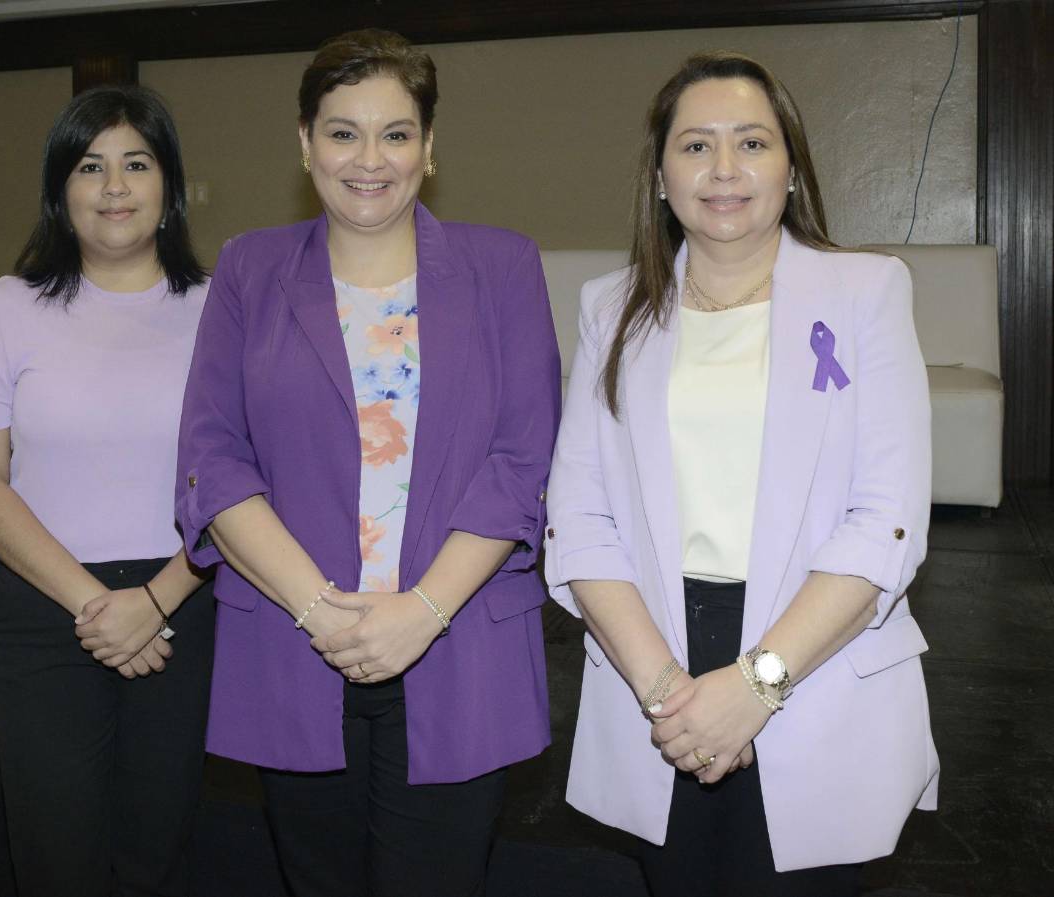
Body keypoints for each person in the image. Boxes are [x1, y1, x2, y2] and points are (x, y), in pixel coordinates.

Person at [176, 28, 561, 897]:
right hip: (294, 641)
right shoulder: (248, 269)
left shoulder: (502, 266)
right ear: (304, 142)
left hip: (457, 647)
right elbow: (213, 455)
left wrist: (421, 611)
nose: (369, 159)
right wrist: (321, 611)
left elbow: (522, 457)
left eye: (396, 133)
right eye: (342, 131)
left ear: (429, 149)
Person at [544, 51, 939, 896]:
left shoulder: (867, 293)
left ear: (791, 167)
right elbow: (578, 519)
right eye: (695, 147)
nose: (724, 170)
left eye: (752, 143)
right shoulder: (609, 309)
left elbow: (887, 518)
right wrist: (668, 695)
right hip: (658, 662)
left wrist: (758, 685)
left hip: (814, 656)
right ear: (659, 175)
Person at [0, 85, 214, 896]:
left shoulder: (219, 310)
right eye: (90, 166)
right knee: (55, 854)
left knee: (156, 851)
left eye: (136, 163)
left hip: (186, 601)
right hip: (44, 610)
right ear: (60, 190)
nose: (115, 186)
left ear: (168, 184)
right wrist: (99, 606)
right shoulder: (8, 306)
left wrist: (158, 600)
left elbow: (246, 484)